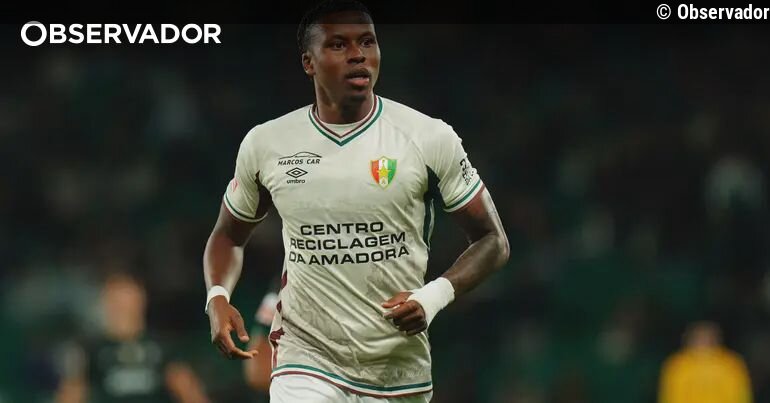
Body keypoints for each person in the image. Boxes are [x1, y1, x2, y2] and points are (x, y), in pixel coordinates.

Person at [202, 1, 510, 401]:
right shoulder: (267, 144)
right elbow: (228, 235)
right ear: (309, 62)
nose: (358, 55)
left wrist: (432, 297)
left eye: (367, 42)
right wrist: (217, 296)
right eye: (338, 45)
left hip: (397, 368)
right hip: (305, 358)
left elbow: (492, 240)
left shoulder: (428, 137)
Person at [55, 272, 211, 403]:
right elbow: (71, 394)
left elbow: (189, 392)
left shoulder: (162, 348)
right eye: (116, 299)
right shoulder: (90, 350)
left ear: (141, 299)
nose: (122, 305)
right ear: (105, 301)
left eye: (127, 297)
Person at [658, 321, 752, 403]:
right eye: (698, 338)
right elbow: (670, 395)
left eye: (706, 338)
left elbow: (740, 395)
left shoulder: (731, 364)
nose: (702, 341)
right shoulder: (677, 365)